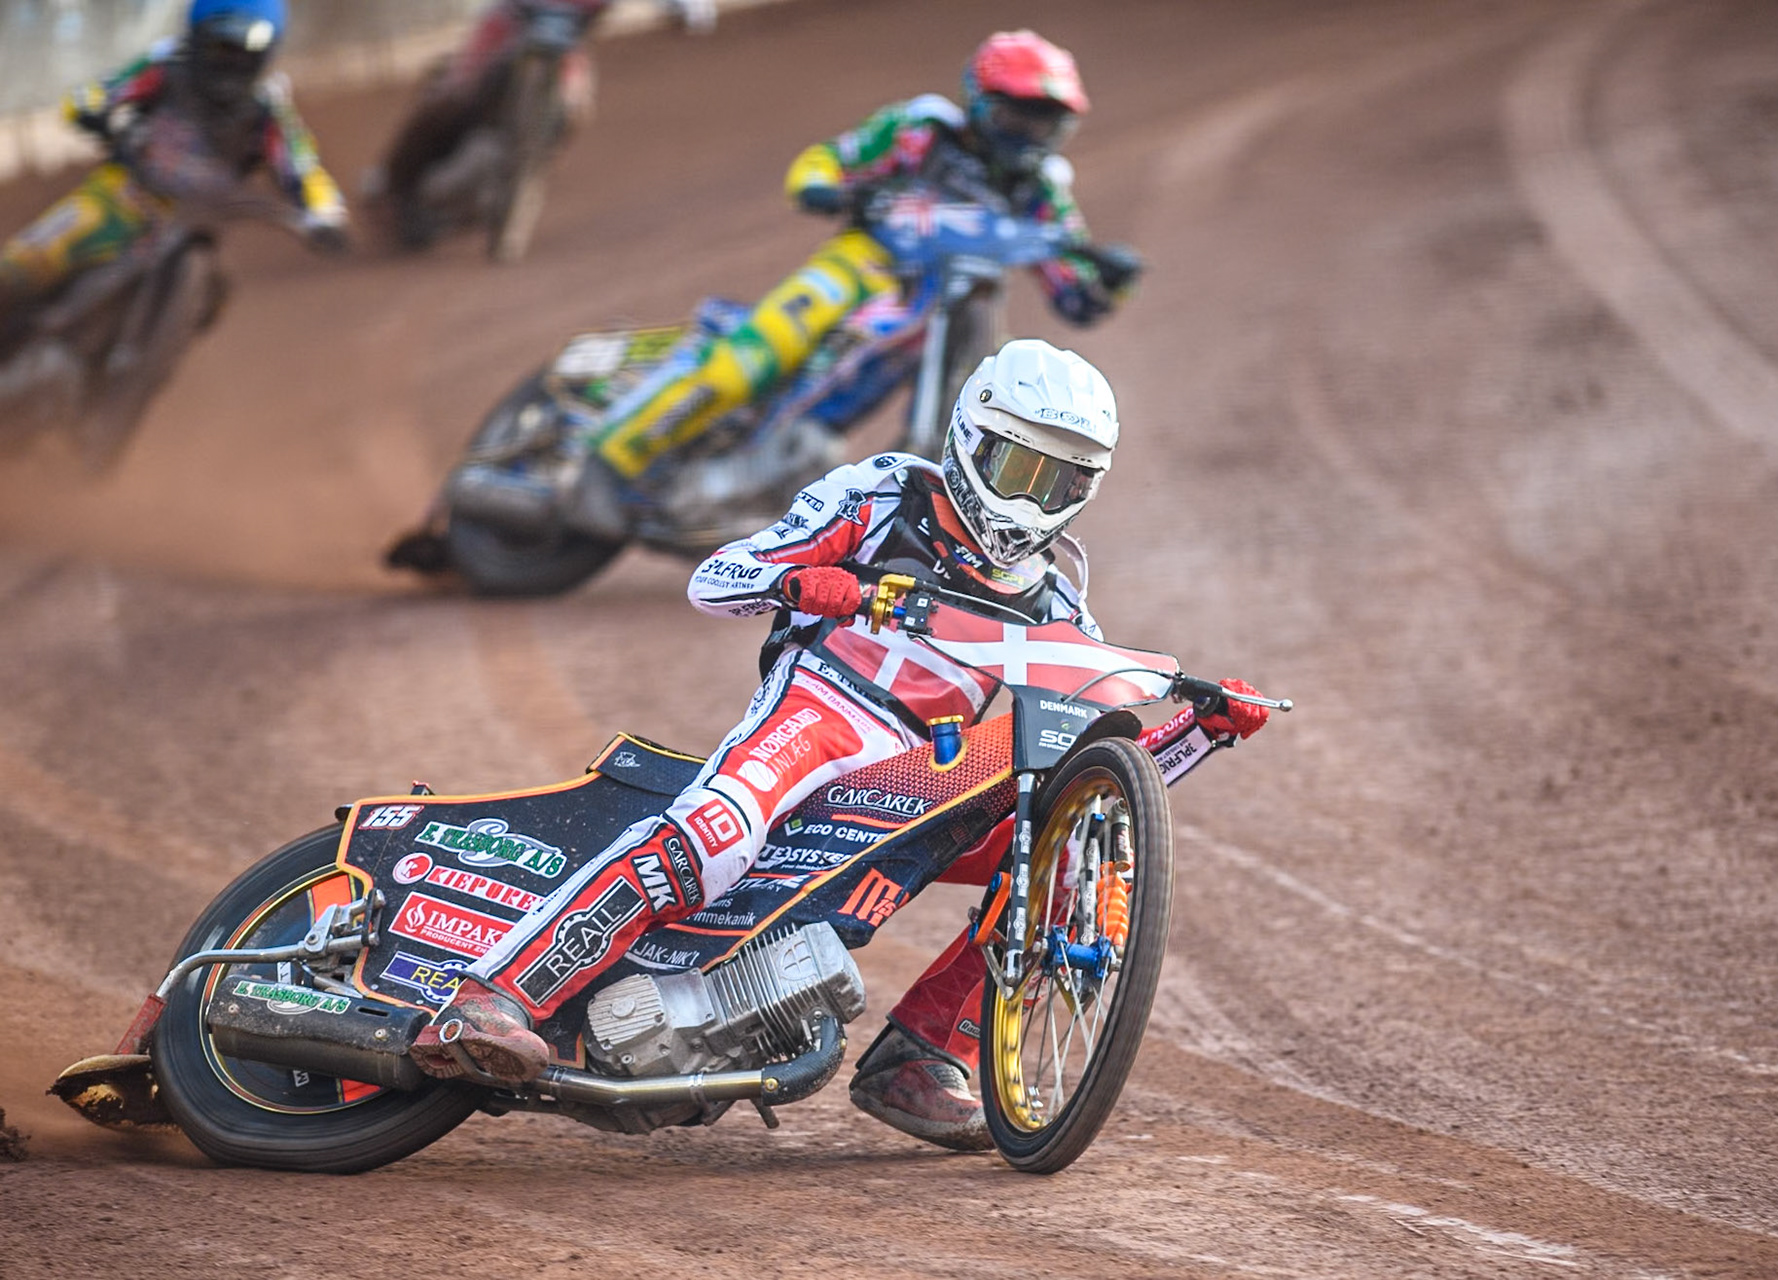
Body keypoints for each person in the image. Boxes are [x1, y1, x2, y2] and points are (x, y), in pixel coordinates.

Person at [411, 339, 1274, 1151]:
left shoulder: (1056, 603)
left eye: (1060, 481)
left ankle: (922, 1054)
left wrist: (1198, 728)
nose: (1030, 500)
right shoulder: (884, 491)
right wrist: (808, 581)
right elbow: (716, 579)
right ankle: (489, 995)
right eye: (1019, 468)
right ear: (973, 438)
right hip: (819, 710)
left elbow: (1096, 772)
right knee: (714, 833)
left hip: (921, 767)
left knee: (1057, 853)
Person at [585, 28, 1142, 486]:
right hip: (861, 268)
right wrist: (826, 188)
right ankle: (607, 460)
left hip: (948, 304)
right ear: (980, 101)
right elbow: (829, 161)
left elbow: (1077, 296)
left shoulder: (1044, 191)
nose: (1029, 134)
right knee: (746, 364)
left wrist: (1113, 280)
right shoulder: (923, 129)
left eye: (1045, 121)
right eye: (1018, 116)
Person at [0, 0, 347, 356]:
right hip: (120, 200)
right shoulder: (166, 67)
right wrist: (93, 111)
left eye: (247, 47)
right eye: (220, 44)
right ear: (197, 37)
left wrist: (325, 215)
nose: (232, 58)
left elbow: (303, 169)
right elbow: (97, 94)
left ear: (267, 49)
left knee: (211, 302)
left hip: (192, 228)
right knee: (22, 264)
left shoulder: (268, 109)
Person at [372, 0, 712, 249]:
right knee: (455, 92)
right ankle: (392, 183)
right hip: (510, 25)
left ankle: (526, 177)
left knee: (574, 114)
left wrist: (688, 10)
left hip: (564, 50)